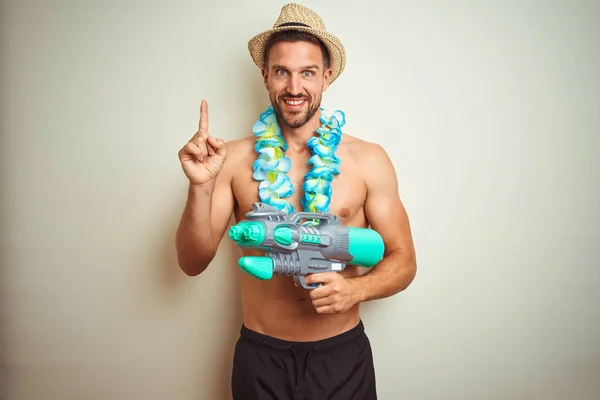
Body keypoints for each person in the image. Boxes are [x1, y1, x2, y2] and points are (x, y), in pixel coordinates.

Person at [175, 3, 416, 399]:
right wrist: (200, 186)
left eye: (307, 72)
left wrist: (355, 291)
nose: (294, 87)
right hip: (261, 357)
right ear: (265, 75)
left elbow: (404, 259)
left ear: (327, 75)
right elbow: (192, 262)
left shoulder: (368, 160)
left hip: (342, 357)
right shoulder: (232, 160)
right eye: (282, 71)